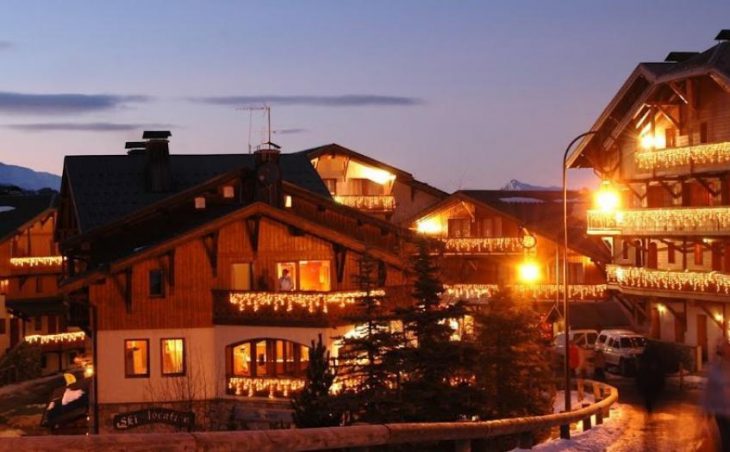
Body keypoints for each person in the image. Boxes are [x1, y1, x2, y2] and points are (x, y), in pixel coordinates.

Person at [702, 341, 730, 450]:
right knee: (725, 436)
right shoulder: (717, 368)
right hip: (721, 410)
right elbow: (710, 388)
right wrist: (706, 409)